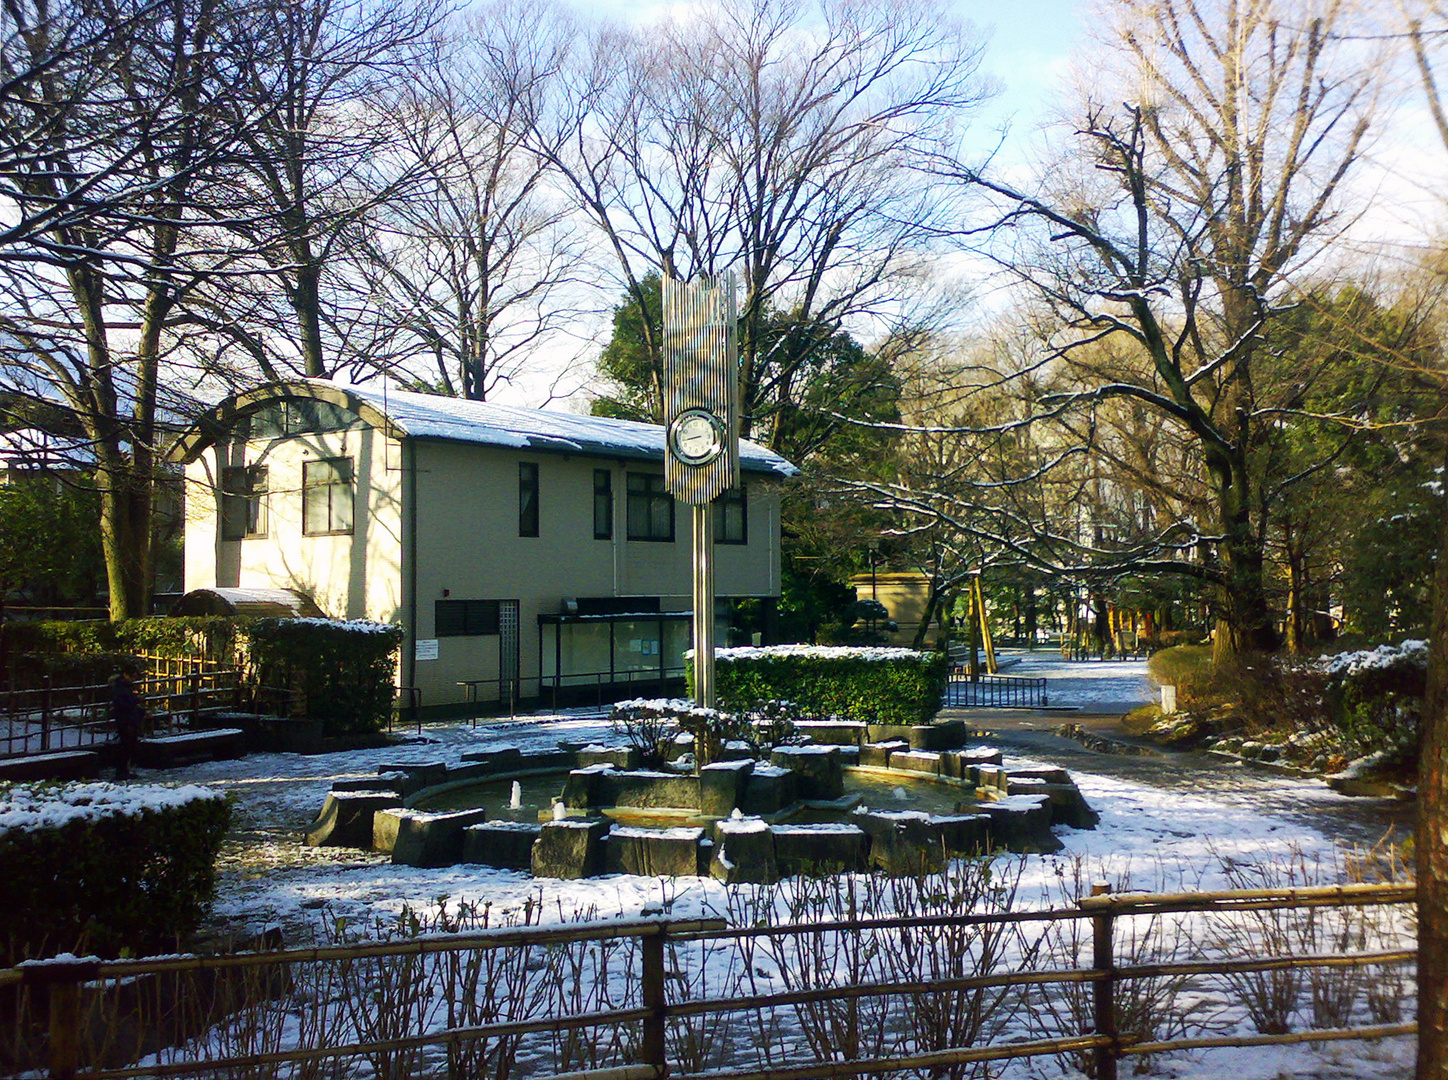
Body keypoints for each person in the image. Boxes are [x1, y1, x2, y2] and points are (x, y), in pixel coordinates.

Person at [109, 658, 145, 781]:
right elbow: (122, 703)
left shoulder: (124, 686)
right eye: (133, 676)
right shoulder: (121, 687)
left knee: (128, 746)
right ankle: (122, 772)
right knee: (126, 746)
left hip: (127, 718)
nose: (134, 679)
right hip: (125, 719)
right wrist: (136, 700)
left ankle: (124, 771)